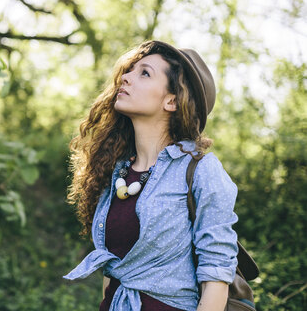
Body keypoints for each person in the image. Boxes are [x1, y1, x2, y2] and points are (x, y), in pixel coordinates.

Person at [63, 40, 239, 311]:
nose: (126, 77)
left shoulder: (201, 170)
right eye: (129, 70)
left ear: (171, 101)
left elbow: (216, 277)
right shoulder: (118, 170)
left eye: (144, 73)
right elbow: (114, 268)